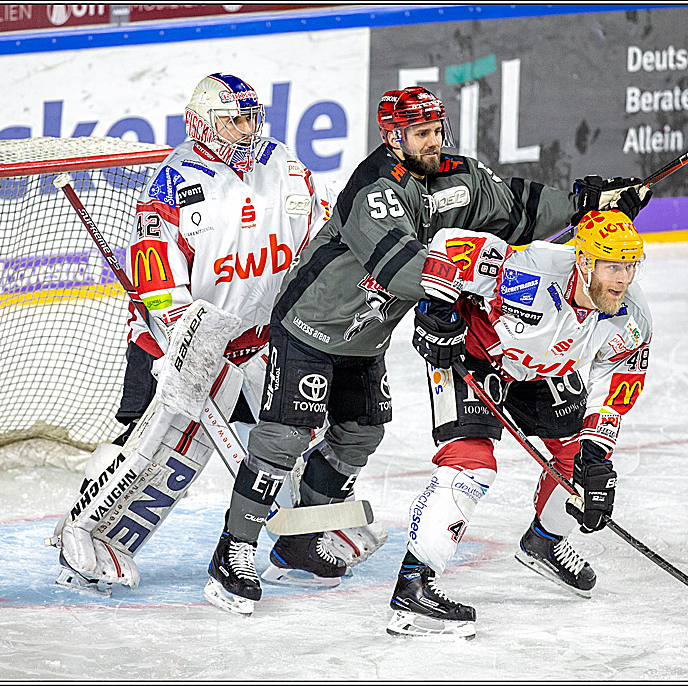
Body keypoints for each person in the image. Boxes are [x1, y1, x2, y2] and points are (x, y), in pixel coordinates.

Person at [204, 85, 651, 615]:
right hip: (311, 326)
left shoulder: (457, 177)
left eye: (438, 129)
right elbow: (398, 266)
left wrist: (588, 204)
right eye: (422, 133)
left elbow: (515, 207)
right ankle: (232, 551)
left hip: (365, 340)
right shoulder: (372, 188)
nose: (435, 140)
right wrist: (462, 288)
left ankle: (300, 538)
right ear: (393, 136)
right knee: (283, 437)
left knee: (359, 435)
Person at [49, 73, 344, 593]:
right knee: (153, 447)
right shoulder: (173, 185)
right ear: (201, 124)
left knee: (295, 436)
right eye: (233, 120)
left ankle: (295, 542)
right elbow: (154, 274)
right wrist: (181, 333)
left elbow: (320, 233)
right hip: (179, 340)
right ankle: (85, 539)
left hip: (261, 339)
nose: (246, 130)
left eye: (251, 118)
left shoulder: (283, 164)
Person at [385, 208, 652, 638]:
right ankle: (413, 588)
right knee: (471, 463)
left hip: (543, 371)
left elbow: (618, 386)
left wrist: (597, 453)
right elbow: (450, 244)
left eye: (628, 265)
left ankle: (544, 541)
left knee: (580, 466)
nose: (622, 279)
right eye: (610, 266)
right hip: (475, 358)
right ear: (583, 262)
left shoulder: (632, 318)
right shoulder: (531, 272)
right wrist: (437, 307)